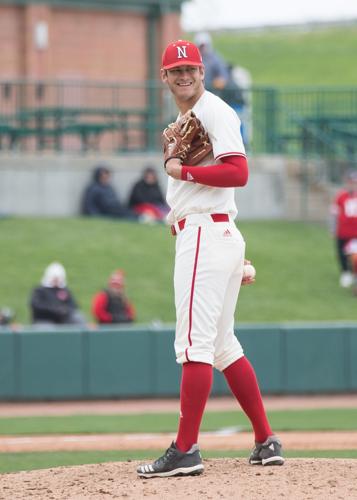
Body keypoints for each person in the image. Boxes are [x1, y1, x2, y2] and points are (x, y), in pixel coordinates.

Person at [137, 40, 284, 478]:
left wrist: (185, 172)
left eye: (190, 69)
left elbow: (238, 171)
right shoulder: (192, 117)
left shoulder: (213, 110)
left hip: (204, 232)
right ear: (164, 78)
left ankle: (184, 450)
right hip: (213, 231)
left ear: (203, 72)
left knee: (194, 345)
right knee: (222, 346)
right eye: (175, 70)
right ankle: (265, 440)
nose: (184, 75)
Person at [30, 262, 86, 326]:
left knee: (78, 318)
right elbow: (36, 305)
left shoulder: (64, 290)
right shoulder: (40, 291)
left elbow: (74, 305)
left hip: (63, 320)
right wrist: (54, 310)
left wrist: (65, 310)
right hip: (45, 319)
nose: (56, 281)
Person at [330, 169, 357, 287]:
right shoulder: (341, 196)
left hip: (355, 233)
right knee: (342, 253)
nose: (352, 184)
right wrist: (332, 228)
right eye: (350, 181)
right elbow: (333, 213)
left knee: (355, 256)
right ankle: (345, 273)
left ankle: (353, 274)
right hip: (343, 232)